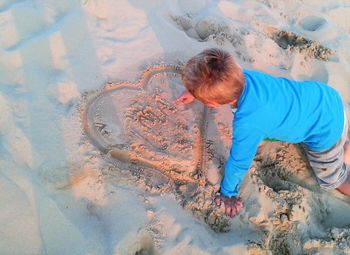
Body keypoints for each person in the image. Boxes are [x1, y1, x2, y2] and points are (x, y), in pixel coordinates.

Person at [175, 48, 350, 218]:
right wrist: (195, 92)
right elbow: (216, 79)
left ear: (211, 104)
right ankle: (345, 147)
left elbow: (239, 162)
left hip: (325, 131)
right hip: (327, 99)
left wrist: (228, 193)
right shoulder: (241, 77)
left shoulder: (248, 123)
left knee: (332, 180)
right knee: (338, 141)